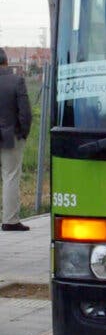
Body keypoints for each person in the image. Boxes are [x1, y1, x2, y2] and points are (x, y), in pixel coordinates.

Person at [0, 48, 32, 232]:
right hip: (10, 136)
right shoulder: (16, 81)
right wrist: (23, 133)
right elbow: (25, 112)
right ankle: (10, 220)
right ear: (6, 62)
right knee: (11, 176)